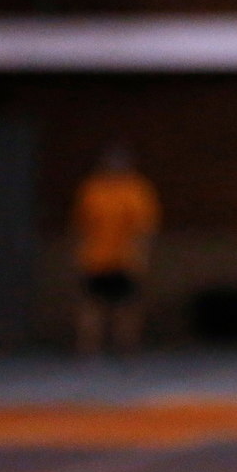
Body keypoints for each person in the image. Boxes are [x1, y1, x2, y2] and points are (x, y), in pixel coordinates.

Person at [72, 145, 161, 355]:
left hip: (125, 259)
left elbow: (144, 228)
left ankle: (126, 348)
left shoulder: (136, 190)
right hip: (95, 259)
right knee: (92, 305)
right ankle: (89, 350)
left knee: (127, 306)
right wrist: (78, 254)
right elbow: (80, 226)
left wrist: (140, 254)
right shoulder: (92, 189)